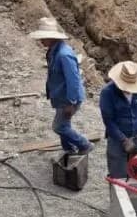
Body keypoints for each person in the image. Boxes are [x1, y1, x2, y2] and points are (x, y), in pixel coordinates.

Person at [30, 17, 93, 154]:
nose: (40, 41)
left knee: (59, 127)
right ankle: (69, 149)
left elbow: (73, 80)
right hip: (61, 96)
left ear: (51, 37)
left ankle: (84, 145)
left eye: (43, 37)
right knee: (64, 124)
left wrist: (70, 102)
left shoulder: (63, 55)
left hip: (68, 98)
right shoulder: (53, 51)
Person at [100, 61, 137, 178]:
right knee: (118, 177)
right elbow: (108, 121)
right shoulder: (107, 93)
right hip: (117, 141)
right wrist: (123, 140)